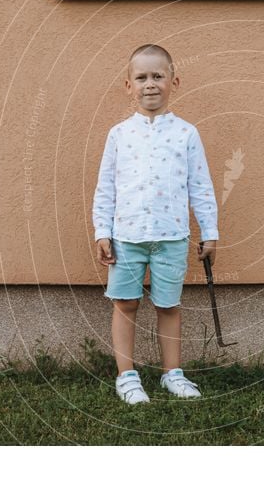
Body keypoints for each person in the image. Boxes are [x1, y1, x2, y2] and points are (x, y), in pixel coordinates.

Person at [92, 44, 219, 404]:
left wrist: (209, 232)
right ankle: (127, 377)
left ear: (174, 81)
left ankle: (172, 375)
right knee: (125, 304)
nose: (150, 84)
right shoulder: (119, 135)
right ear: (128, 86)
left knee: (168, 306)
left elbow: (200, 185)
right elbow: (106, 187)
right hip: (126, 237)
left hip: (172, 237)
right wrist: (103, 230)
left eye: (158, 76)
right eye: (141, 77)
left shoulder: (186, 134)